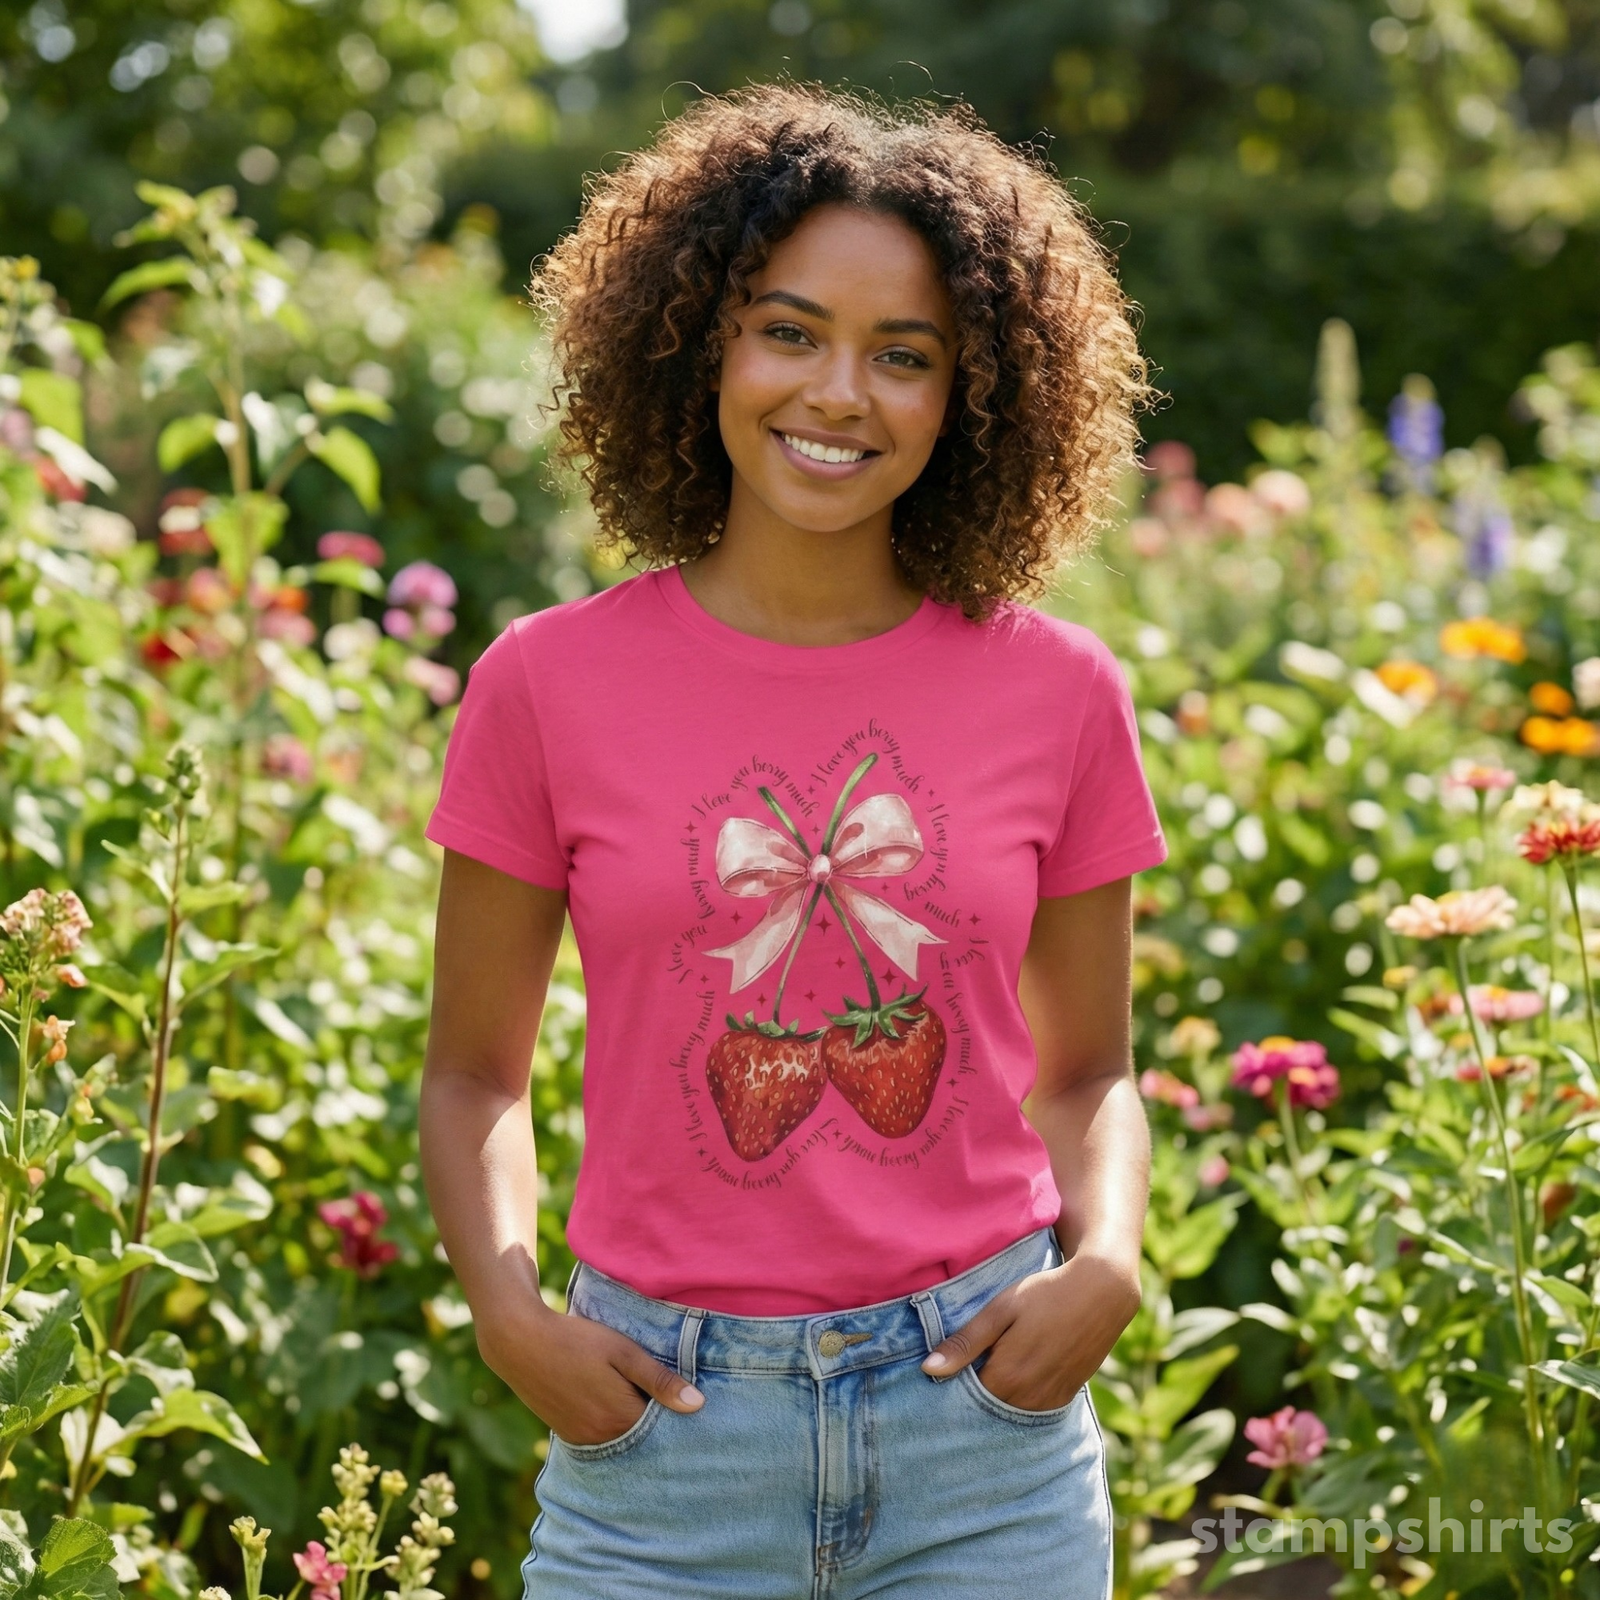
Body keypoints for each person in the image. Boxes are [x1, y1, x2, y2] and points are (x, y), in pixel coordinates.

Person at [419, 82, 1169, 1599]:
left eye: (905, 357)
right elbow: (472, 1075)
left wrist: (1110, 1262)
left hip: (985, 1438)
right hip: (663, 1447)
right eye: (789, 330)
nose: (840, 393)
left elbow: (1089, 1071)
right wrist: (510, 1316)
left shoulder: (1062, 691)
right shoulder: (544, 685)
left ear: (975, 397)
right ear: (701, 342)